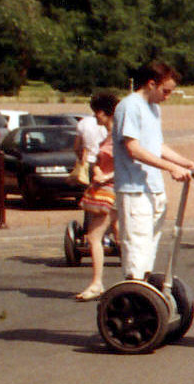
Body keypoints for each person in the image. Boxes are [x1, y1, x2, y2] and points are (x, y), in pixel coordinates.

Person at [113, 61, 194, 281]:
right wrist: (171, 168)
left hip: (153, 188)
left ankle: (145, 292)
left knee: (149, 249)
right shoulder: (129, 106)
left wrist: (186, 163)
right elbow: (133, 148)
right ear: (151, 84)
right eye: (166, 91)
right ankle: (134, 291)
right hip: (134, 189)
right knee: (137, 248)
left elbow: (157, 146)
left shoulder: (154, 109)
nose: (167, 97)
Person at [73, 93, 119, 301]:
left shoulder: (116, 134)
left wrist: (105, 175)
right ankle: (131, 279)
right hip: (109, 186)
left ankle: (97, 282)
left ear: (102, 113)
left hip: (111, 188)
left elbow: (127, 162)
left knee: (94, 236)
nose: (95, 117)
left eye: (96, 113)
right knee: (118, 236)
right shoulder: (110, 133)